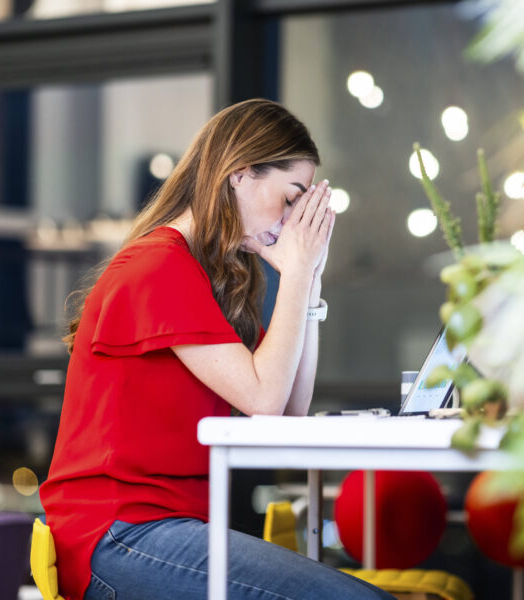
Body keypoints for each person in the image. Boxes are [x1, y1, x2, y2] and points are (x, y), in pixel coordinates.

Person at [39, 99, 394, 600]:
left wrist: (309, 280)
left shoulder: (193, 270)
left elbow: (286, 414)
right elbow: (266, 399)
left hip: (159, 528)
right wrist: (294, 272)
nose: (294, 222)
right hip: (119, 534)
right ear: (240, 174)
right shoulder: (159, 265)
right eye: (290, 199)